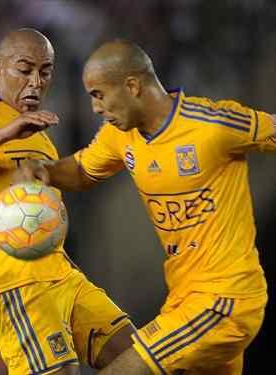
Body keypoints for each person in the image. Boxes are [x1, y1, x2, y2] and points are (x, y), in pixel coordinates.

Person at [15, 39, 276, 374]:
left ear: (132, 86)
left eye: (99, 94)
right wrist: (44, 172)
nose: (96, 108)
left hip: (224, 299)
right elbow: (81, 171)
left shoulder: (213, 125)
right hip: (184, 299)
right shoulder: (120, 136)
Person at [0, 29, 136, 375]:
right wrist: (5, 132)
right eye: (24, 70)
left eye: (45, 71)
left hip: (62, 275)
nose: (35, 82)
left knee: (138, 359)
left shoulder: (42, 138)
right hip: (16, 282)